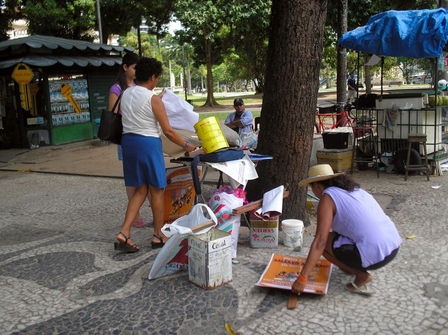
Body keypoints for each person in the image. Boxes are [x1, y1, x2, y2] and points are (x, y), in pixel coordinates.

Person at [114, 57, 197, 253]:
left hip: (129, 143)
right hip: (147, 144)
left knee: (140, 189)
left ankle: (124, 232)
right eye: (157, 77)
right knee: (158, 189)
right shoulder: (153, 99)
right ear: (152, 77)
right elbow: (168, 131)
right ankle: (158, 234)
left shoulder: (125, 94)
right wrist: (188, 146)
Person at [292, 164, 402, 296]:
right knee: (333, 236)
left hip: (377, 255)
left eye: (312, 188)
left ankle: (361, 275)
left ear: (317, 187)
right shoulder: (355, 190)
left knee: (325, 244)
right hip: (393, 247)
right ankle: (352, 266)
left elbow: (320, 241)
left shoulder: (327, 198)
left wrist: (303, 278)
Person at [108, 52, 148, 228]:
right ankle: (135, 214)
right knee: (132, 177)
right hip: (126, 136)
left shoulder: (140, 85)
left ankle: (137, 209)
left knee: (144, 176)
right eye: (134, 67)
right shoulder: (117, 88)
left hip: (142, 135)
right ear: (125, 67)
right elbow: (113, 113)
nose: (136, 71)